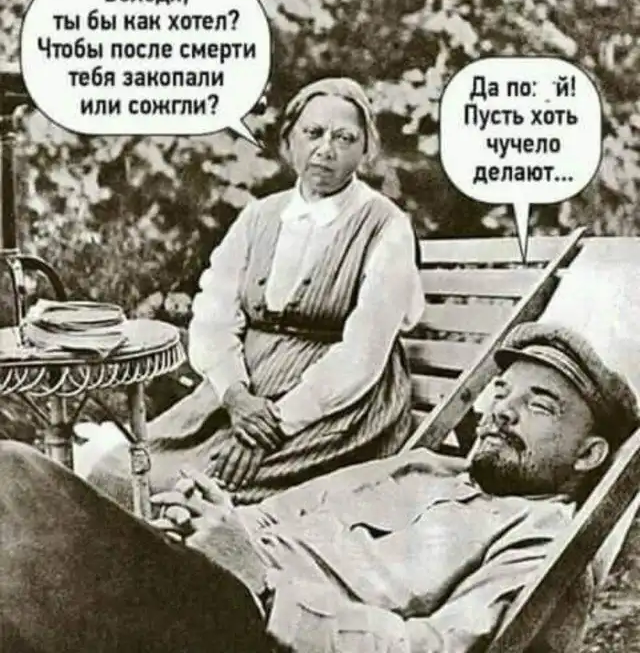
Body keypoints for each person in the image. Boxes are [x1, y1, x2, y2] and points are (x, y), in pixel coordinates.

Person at [3, 321, 638, 653]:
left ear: (589, 454)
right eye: (501, 392)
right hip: (209, 587)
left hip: (254, 630)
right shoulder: (427, 468)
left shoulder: (541, 538)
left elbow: (437, 647)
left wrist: (262, 584)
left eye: (539, 405)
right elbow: (284, 517)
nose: (501, 411)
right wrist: (223, 522)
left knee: (18, 479)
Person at [85, 76, 424, 509]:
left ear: (365, 150)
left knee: (197, 495)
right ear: (289, 141)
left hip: (335, 407)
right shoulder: (259, 216)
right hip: (243, 394)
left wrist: (275, 426)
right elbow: (214, 314)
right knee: (119, 473)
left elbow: (363, 355)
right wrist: (234, 395)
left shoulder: (386, 225)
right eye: (313, 133)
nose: (326, 149)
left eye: (344, 138)